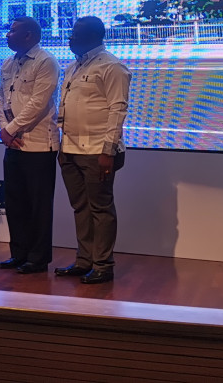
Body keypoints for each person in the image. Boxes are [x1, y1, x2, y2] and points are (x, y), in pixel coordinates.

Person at [54, 16, 130, 285]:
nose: (70, 37)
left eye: (76, 33)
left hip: (98, 151)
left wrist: (108, 151)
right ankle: (84, 260)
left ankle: (103, 265)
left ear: (93, 36)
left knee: (100, 208)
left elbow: (117, 109)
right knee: (80, 207)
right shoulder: (73, 66)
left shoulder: (112, 66)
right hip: (69, 148)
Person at [0, 17, 60, 275]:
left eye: (12, 31)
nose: (7, 35)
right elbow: (0, 98)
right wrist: (5, 130)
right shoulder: (8, 62)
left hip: (39, 145)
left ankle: (38, 258)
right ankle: (18, 254)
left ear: (29, 35)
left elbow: (38, 104)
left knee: (38, 206)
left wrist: (9, 130)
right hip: (13, 144)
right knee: (15, 203)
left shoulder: (46, 61)